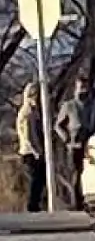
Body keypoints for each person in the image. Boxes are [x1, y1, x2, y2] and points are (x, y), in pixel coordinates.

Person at [54, 77, 95, 209]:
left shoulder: (91, 105)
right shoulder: (69, 105)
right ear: (75, 89)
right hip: (74, 142)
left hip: (88, 141)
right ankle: (76, 201)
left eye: (85, 87)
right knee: (76, 173)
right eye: (80, 87)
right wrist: (65, 138)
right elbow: (58, 125)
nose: (83, 90)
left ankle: (88, 199)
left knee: (89, 171)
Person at [15, 82, 46, 212]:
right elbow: (28, 135)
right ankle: (32, 205)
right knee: (36, 179)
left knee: (40, 178)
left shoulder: (34, 111)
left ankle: (36, 203)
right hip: (30, 152)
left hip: (34, 150)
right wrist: (36, 151)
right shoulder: (27, 112)